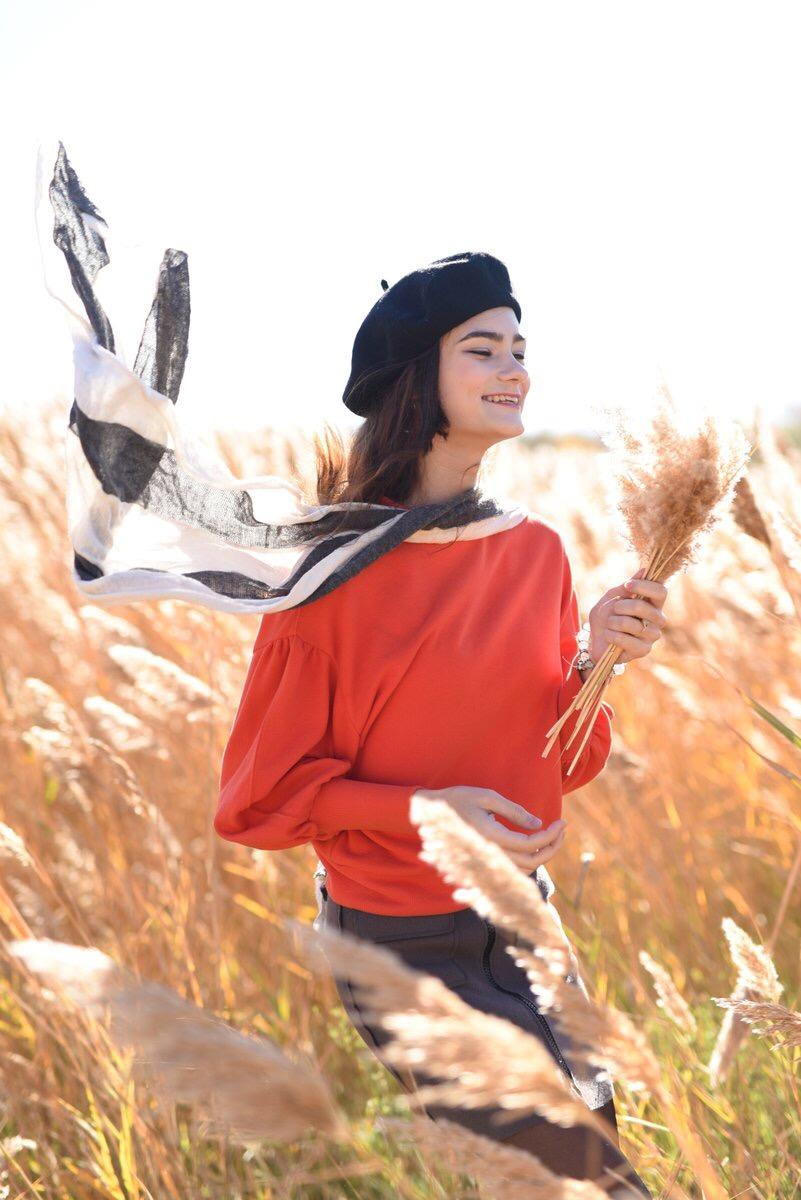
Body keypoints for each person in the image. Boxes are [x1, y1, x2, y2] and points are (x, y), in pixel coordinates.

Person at [214, 253, 668, 1196]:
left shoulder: (534, 550)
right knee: (578, 1180)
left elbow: (560, 763)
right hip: (400, 944)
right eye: (482, 349)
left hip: (526, 922)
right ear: (417, 375)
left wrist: (596, 662)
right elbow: (257, 800)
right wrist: (431, 812)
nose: (514, 370)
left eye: (519, 350)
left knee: (596, 1169)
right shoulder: (331, 573)